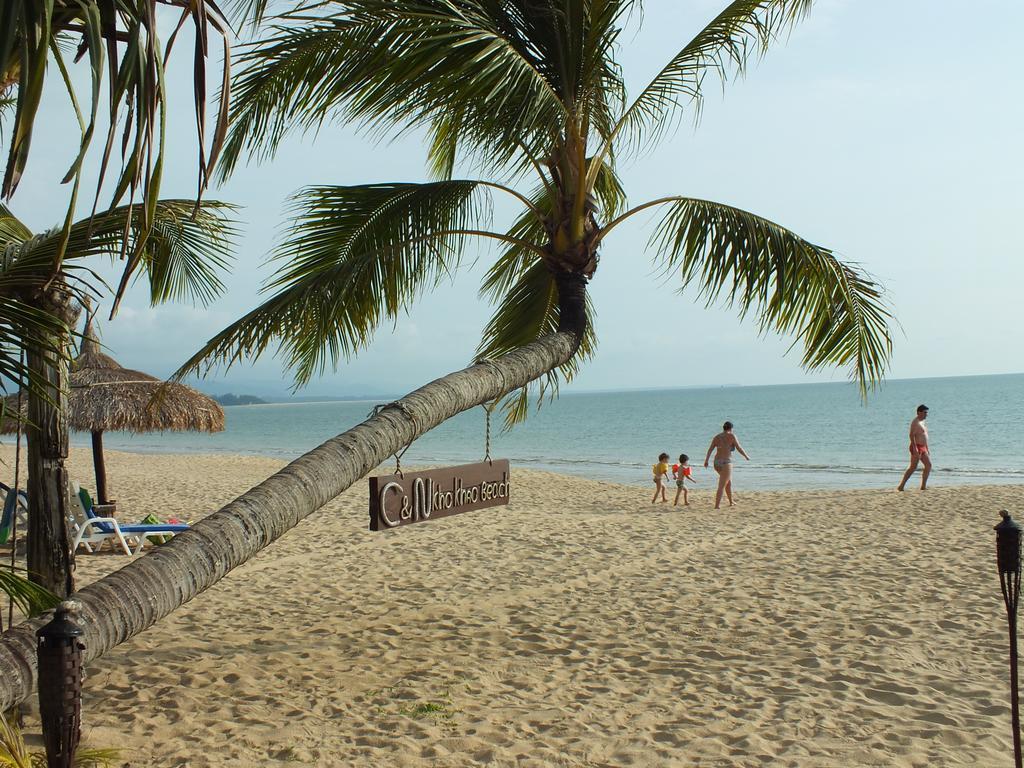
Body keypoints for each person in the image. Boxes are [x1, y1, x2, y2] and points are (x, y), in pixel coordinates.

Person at [704, 421, 750, 509]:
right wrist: (746, 456)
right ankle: (717, 505)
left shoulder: (717, 437)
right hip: (726, 462)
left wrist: (706, 460)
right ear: (731, 428)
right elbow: (739, 447)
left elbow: (710, 449)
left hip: (716, 462)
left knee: (728, 482)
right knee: (722, 484)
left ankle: (731, 501)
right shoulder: (732, 436)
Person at [897, 404, 931, 491]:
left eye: (927, 412)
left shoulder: (922, 422)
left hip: (923, 447)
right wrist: (915, 448)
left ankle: (923, 486)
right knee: (913, 467)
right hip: (917, 447)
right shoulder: (915, 422)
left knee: (928, 465)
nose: (926, 414)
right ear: (919, 412)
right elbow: (911, 435)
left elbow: (924, 435)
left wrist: (927, 447)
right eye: (925, 412)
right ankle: (901, 486)